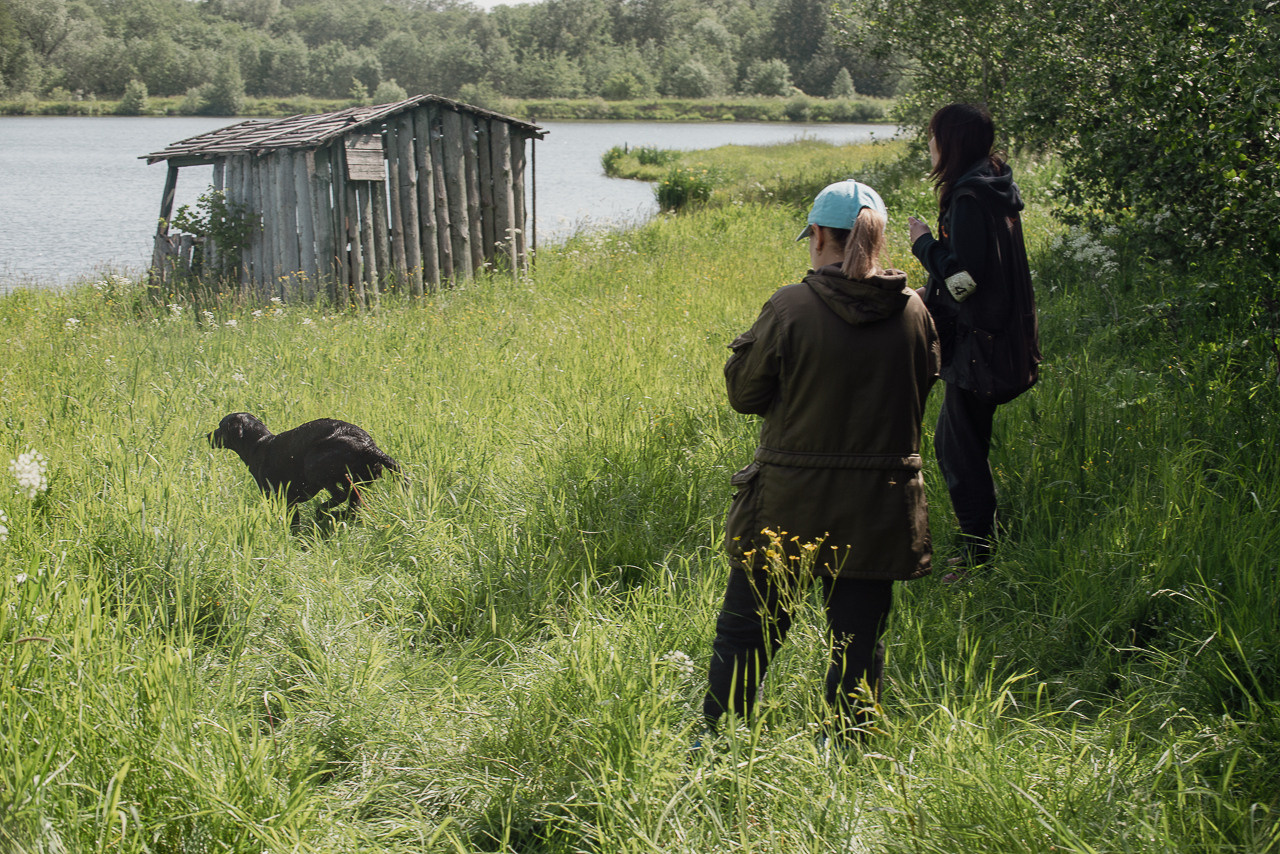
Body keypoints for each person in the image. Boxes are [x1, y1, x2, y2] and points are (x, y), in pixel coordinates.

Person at [703, 180, 940, 743]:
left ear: (818, 236)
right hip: (878, 508)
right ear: (879, 240)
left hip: (788, 503)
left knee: (747, 633)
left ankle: (717, 743)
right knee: (859, 643)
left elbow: (744, 396)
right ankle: (852, 751)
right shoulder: (914, 312)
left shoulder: (790, 306)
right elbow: (920, 390)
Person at [907, 103, 1040, 581]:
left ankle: (977, 555)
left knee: (956, 448)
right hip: (1001, 336)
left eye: (934, 136)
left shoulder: (967, 197)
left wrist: (924, 244)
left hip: (980, 344)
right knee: (962, 443)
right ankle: (981, 542)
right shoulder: (995, 184)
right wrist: (932, 290)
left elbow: (966, 281)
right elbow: (978, 272)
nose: (930, 145)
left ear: (952, 142)